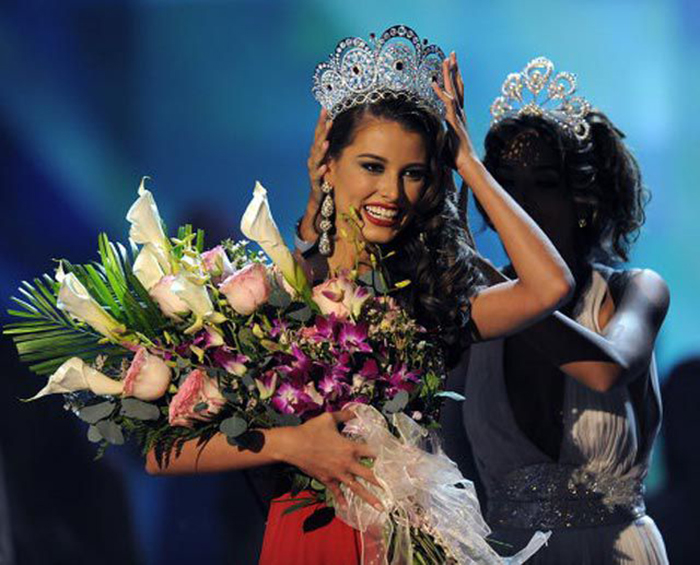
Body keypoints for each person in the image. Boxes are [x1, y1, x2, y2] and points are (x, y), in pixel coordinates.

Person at [147, 29, 573, 564]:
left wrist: (466, 160)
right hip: (312, 541)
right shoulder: (271, 294)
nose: (392, 193)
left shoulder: (429, 301)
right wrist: (291, 444)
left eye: (413, 173)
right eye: (372, 166)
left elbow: (551, 285)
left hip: (409, 543)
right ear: (328, 164)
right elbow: (161, 453)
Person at [459, 57, 670, 564]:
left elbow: (606, 369)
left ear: (582, 198)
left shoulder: (636, 290)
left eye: (544, 184)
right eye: (506, 185)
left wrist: (472, 265)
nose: (521, 203)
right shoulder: (470, 306)